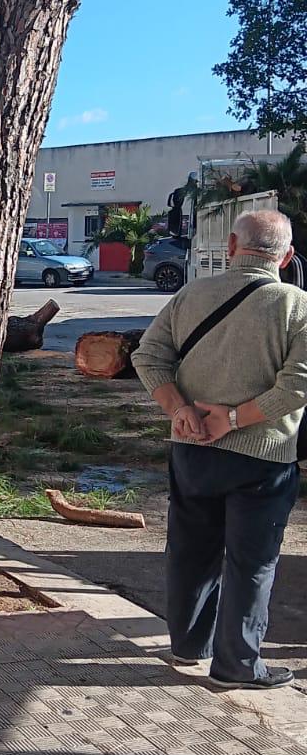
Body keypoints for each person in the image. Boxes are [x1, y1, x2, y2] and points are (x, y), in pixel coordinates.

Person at [133, 209, 307, 689]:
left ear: (231, 247)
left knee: (191, 551)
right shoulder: (297, 305)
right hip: (263, 456)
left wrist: (180, 411)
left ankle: (188, 646)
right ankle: (238, 666)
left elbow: (147, 355)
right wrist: (232, 420)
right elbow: (296, 388)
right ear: (286, 257)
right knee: (251, 563)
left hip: (191, 449)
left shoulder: (191, 294)